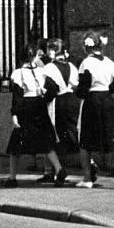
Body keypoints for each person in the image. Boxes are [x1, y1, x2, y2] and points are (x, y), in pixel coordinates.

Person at [76, 31, 114, 190]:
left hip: (93, 101)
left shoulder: (86, 63)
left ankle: (87, 178)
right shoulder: (108, 62)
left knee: (85, 141)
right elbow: (112, 85)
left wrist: (76, 91)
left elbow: (83, 87)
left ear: (86, 46)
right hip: (107, 100)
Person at [3, 44, 67, 187]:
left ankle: (12, 177)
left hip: (26, 106)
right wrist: (45, 99)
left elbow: (17, 97)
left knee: (15, 143)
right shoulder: (42, 71)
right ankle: (59, 168)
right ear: (34, 57)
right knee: (46, 140)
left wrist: (14, 115)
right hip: (40, 105)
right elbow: (53, 89)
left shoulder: (18, 73)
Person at [39, 38, 80, 183]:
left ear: (54, 51)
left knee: (56, 135)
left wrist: (43, 98)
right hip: (72, 100)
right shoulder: (71, 66)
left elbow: (51, 89)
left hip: (58, 103)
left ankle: (58, 170)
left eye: (50, 48)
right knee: (72, 131)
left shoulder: (49, 68)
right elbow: (76, 85)